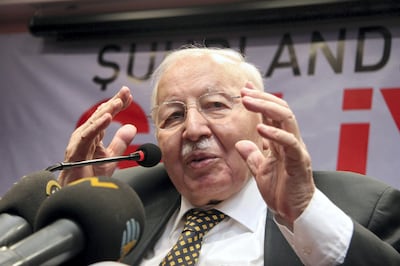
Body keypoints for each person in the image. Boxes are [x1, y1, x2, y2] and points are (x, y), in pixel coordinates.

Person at [58, 46, 400, 265]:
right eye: (173, 116)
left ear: (264, 123)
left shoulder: (363, 208)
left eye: (216, 106)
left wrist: (304, 211)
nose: (193, 129)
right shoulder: (127, 208)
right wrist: (77, 223)